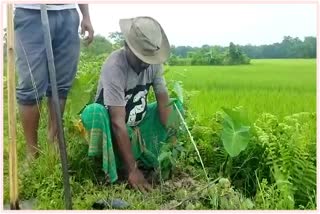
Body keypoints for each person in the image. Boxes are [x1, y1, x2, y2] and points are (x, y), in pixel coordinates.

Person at [80, 16, 183, 192]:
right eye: (140, 57)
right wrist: (133, 170)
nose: (145, 63)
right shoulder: (115, 66)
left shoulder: (153, 64)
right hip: (113, 129)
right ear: (127, 46)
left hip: (138, 125)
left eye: (148, 58)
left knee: (175, 107)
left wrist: (173, 149)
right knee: (93, 113)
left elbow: (164, 105)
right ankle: (117, 168)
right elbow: (117, 123)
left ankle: (153, 160)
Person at [14, 4, 94, 159]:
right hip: (30, 11)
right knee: (30, 85)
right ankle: (32, 151)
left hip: (68, 13)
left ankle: (54, 141)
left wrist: (86, 15)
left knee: (61, 84)